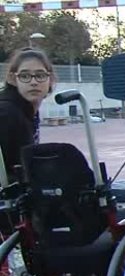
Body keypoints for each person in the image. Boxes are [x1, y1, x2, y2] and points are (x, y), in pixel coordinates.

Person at [0, 48, 55, 232]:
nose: (33, 82)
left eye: (40, 75)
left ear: (50, 79)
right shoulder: (7, 113)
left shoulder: (25, 111)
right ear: (12, 79)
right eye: (25, 76)